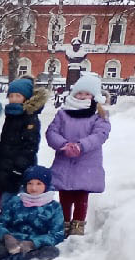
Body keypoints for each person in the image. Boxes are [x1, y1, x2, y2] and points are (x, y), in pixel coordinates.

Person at [45, 71, 112, 237]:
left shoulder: (99, 115)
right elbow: (52, 131)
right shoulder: (63, 113)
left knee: (81, 196)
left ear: (94, 96)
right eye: (79, 93)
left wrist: (82, 146)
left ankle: (78, 225)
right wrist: (63, 144)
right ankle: (63, 223)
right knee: (65, 195)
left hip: (86, 161)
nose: (82, 96)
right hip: (64, 160)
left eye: (87, 93)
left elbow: (100, 134)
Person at [0, 164, 66, 260]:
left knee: (51, 252)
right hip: (11, 245)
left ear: (46, 186)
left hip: (36, 247)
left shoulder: (54, 207)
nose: (33, 188)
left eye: (38, 184)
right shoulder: (15, 202)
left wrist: (33, 243)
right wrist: (6, 237)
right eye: (30, 183)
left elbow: (57, 234)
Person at [0, 76, 49, 211]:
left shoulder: (29, 118)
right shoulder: (11, 115)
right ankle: (4, 226)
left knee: (10, 202)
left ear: (26, 98)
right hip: (4, 165)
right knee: (3, 202)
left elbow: (30, 146)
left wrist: (18, 167)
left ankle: (10, 228)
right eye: (11, 96)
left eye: (18, 96)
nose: (14, 99)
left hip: (18, 169)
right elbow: (4, 142)